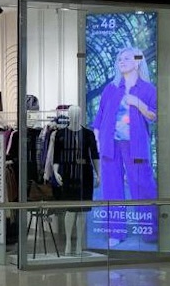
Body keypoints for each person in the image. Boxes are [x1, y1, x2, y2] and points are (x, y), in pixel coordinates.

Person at [92, 46, 157, 246]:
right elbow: (99, 118)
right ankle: (115, 232)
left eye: (127, 58)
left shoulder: (148, 89)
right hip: (110, 145)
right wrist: (98, 141)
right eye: (120, 59)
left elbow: (154, 115)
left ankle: (150, 230)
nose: (121, 61)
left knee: (143, 185)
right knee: (111, 188)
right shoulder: (111, 88)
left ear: (137, 62)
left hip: (135, 146)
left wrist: (137, 102)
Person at [52, 105, 100, 256]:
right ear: (69, 115)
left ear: (81, 116)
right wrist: (55, 172)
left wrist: (99, 174)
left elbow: (95, 155)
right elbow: (56, 156)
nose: (75, 116)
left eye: (77, 114)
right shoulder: (60, 134)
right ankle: (68, 241)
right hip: (68, 175)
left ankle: (79, 242)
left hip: (85, 175)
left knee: (82, 210)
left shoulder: (88, 134)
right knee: (70, 210)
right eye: (72, 114)